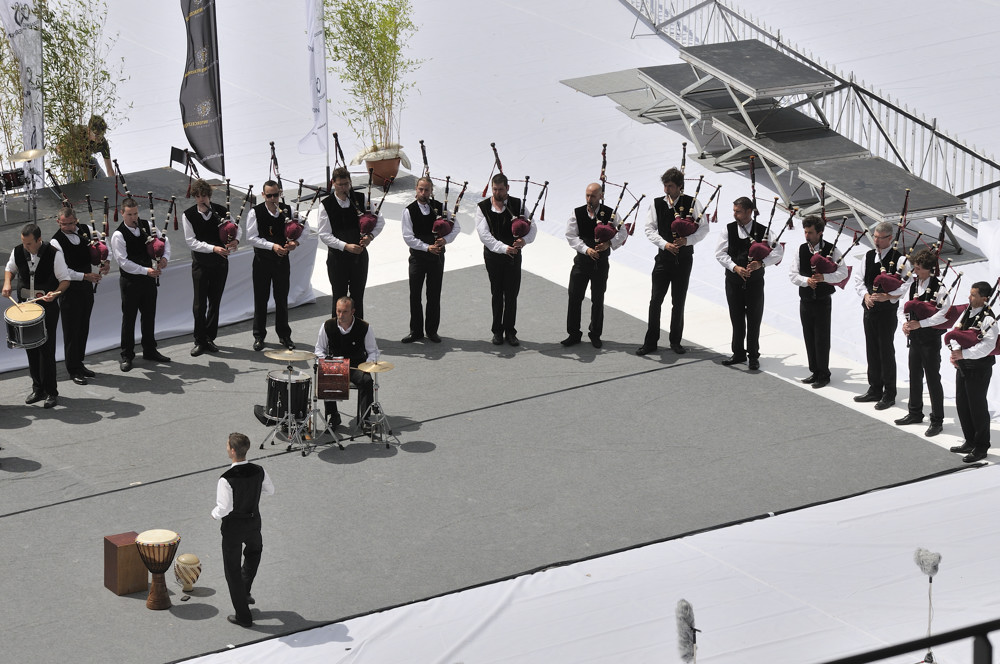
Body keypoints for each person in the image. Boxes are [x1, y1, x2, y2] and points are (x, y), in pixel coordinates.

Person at [636, 167, 707, 356]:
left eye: (670, 186)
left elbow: (703, 229)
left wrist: (687, 241)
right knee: (655, 301)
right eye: (665, 186)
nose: (666, 190)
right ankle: (650, 342)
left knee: (678, 301)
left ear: (679, 187)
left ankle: (675, 341)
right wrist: (665, 244)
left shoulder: (692, 203)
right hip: (663, 259)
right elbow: (649, 229)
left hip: (683, 261)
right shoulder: (656, 204)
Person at [2, 223, 70, 408]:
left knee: (46, 351)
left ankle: (51, 392)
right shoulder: (18, 251)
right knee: (30, 348)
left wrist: (55, 293)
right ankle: (37, 388)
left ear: (39, 240)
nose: (25, 246)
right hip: (26, 308)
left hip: (46, 308)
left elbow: (65, 280)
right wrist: (7, 283)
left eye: (29, 243)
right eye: (23, 243)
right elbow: (10, 269)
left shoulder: (54, 254)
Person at [211, 432, 274, 628]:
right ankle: (245, 591)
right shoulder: (259, 470)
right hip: (254, 523)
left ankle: (243, 616)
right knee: (254, 553)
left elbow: (225, 508)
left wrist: (214, 514)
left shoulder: (226, 479)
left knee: (232, 572)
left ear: (232, 450)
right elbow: (270, 490)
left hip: (233, 528)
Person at [714, 197, 784, 370]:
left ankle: (753, 355)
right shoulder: (728, 229)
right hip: (733, 282)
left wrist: (761, 264)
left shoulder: (763, 231)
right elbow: (720, 254)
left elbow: (778, 252)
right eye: (734, 210)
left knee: (754, 319)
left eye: (738, 211)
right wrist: (735, 267)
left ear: (748, 212)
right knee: (736, 318)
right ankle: (738, 353)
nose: (735, 214)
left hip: (754, 283)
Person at [475, 173, 537, 346]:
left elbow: (532, 227)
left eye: (500, 189)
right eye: (494, 189)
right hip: (493, 257)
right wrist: (503, 248)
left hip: (513, 257)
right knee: (497, 293)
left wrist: (524, 241)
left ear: (507, 188)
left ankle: (510, 331)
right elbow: (484, 235)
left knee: (511, 295)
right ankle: (497, 331)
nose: (497, 193)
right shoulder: (483, 207)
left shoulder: (518, 204)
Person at [110, 197, 171, 371]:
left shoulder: (147, 226)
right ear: (122, 213)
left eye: (135, 213)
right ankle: (127, 355)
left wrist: (165, 258)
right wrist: (146, 271)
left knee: (149, 315)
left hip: (148, 280)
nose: (134, 217)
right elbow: (123, 262)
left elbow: (164, 242)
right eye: (129, 214)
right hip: (130, 282)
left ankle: (150, 350)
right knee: (129, 319)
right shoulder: (118, 234)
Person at [562, 182, 626, 348]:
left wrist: (609, 244)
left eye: (593, 196)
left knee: (598, 299)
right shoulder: (577, 213)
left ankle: (595, 333)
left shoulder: (610, 213)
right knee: (574, 297)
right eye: (587, 195)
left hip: (601, 264)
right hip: (582, 263)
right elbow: (571, 236)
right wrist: (585, 249)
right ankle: (573, 333)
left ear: (601, 196)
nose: (589, 199)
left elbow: (623, 232)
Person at [787, 215, 848, 389]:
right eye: (805, 232)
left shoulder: (832, 249)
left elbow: (843, 272)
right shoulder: (801, 249)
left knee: (822, 337)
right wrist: (807, 281)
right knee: (809, 336)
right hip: (805, 299)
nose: (807, 236)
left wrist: (824, 277)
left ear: (820, 233)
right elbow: (793, 274)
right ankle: (814, 371)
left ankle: (824, 373)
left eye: (810, 232)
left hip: (822, 300)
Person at [316, 167, 384, 320]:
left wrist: (370, 237)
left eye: (346, 184)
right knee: (339, 297)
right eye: (340, 184)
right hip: (337, 259)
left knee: (357, 297)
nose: (344, 188)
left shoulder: (361, 198)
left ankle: (359, 332)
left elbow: (379, 220)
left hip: (359, 258)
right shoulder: (326, 205)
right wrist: (345, 246)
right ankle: (337, 334)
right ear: (333, 183)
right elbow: (324, 235)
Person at [50, 205, 108, 385]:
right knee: (71, 330)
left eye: (71, 223)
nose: (68, 227)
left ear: (76, 220)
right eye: (64, 224)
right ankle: (72, 368)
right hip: (69, 289)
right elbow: (62, 270)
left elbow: (102, 246)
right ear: (58, 222)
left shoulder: (86, 230)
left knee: (83, 326)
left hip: (86, 287)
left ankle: (79, 363)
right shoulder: (56, 241)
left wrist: (106, 261)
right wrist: (85, 276)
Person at [853, 221, 908, 410]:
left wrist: (888, 297)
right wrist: (866, 295)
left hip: (886, 313)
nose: (876, 240)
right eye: (874, 236)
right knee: (872, 348)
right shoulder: (868, 256)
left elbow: (906, 285)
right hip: (869, 310)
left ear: (890, 238)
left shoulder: (900, 260)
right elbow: (859, 280)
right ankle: (874, 387)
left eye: (880, 238)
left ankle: (889, 393)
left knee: (885, 350)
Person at [897, 249, 950, 437]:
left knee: (933, 379)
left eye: (918, 269)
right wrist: (905, 324)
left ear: (928, 269)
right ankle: (915, 412)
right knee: (914, 375)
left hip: (930, 340)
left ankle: (937, 420)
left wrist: (921, 324)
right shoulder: (913, 285)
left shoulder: (940, 288)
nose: (915, 272)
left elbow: (943, 314)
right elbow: (903, 308)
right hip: (915, 340)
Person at [400, 176, 460, 343]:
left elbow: (457, 227)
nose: (423, 192)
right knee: (415, 295)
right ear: (416, 190)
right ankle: (416, 331)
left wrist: (445, 240)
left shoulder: (440, 208)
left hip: (437, 259)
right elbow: (408, 237)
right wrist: (427, 247)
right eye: (420, 189)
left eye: (427, 189)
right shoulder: (409, 210)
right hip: (418, 258)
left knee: (433, 295)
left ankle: (432, 331)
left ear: (431, 191)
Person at [182, 179, 237, 357]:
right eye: (197, 196)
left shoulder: (221, 211)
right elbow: (192, 242)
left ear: (209, 195)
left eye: (204, 196)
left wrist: (235, 240)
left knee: (215, 301)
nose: (201, 199)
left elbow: (236, 228)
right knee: (199, 305)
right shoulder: (188, 215)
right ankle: (199, 340)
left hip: (220, 264)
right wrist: (213, 248)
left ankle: (209, 338)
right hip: (201, 265)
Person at [246, 179, 302, 352]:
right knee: (261, 299)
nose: (272, 198)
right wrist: (273, 246)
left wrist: (295, 243)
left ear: (280, 193)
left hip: (281, 262)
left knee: (281, 299)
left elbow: (301, 230)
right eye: (268, 195)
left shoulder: (289, 210)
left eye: (275, 195)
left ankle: (284, 335)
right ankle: (259, 336)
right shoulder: (255, 212)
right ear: (263, 195)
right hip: (262, 262)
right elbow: (251, 238)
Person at [947, 282, 997, 463]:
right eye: (970, 294)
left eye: (974, 295)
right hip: (963, 366)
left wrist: (964, 354)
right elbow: (956, 333)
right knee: (962, 404)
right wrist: (955, 353)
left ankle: (981, 447)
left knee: (977, 407)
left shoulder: (988, 319)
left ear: (984, 298)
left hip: (979, 368)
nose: (969, 298)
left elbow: (988, 346)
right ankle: (969, 440)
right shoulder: (967, 312)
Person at [314, 296, 380, 429]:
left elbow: (373, 351)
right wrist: (326, 362)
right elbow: (319, 349)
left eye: (344, 312)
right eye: (338, 311)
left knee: (367, 381)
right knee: (326, 377)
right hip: (336, 365)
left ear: (352, 312)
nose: (340, 315)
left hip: (356, 366)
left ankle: (365, 419)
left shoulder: (365, 327)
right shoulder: (327, 326)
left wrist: (367, 366)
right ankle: (333, 415)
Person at [64, 114, 114, 180]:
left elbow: (109, 169)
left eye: (102, 135)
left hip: (87, 157)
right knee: (75, 171)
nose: (100, 139)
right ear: (88, 131)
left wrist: (114, 183)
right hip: (70, 157)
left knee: (96, 166)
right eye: (97, 135)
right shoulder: (77, 132)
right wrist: (70, 159)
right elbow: (60, 147)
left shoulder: (103, 144)